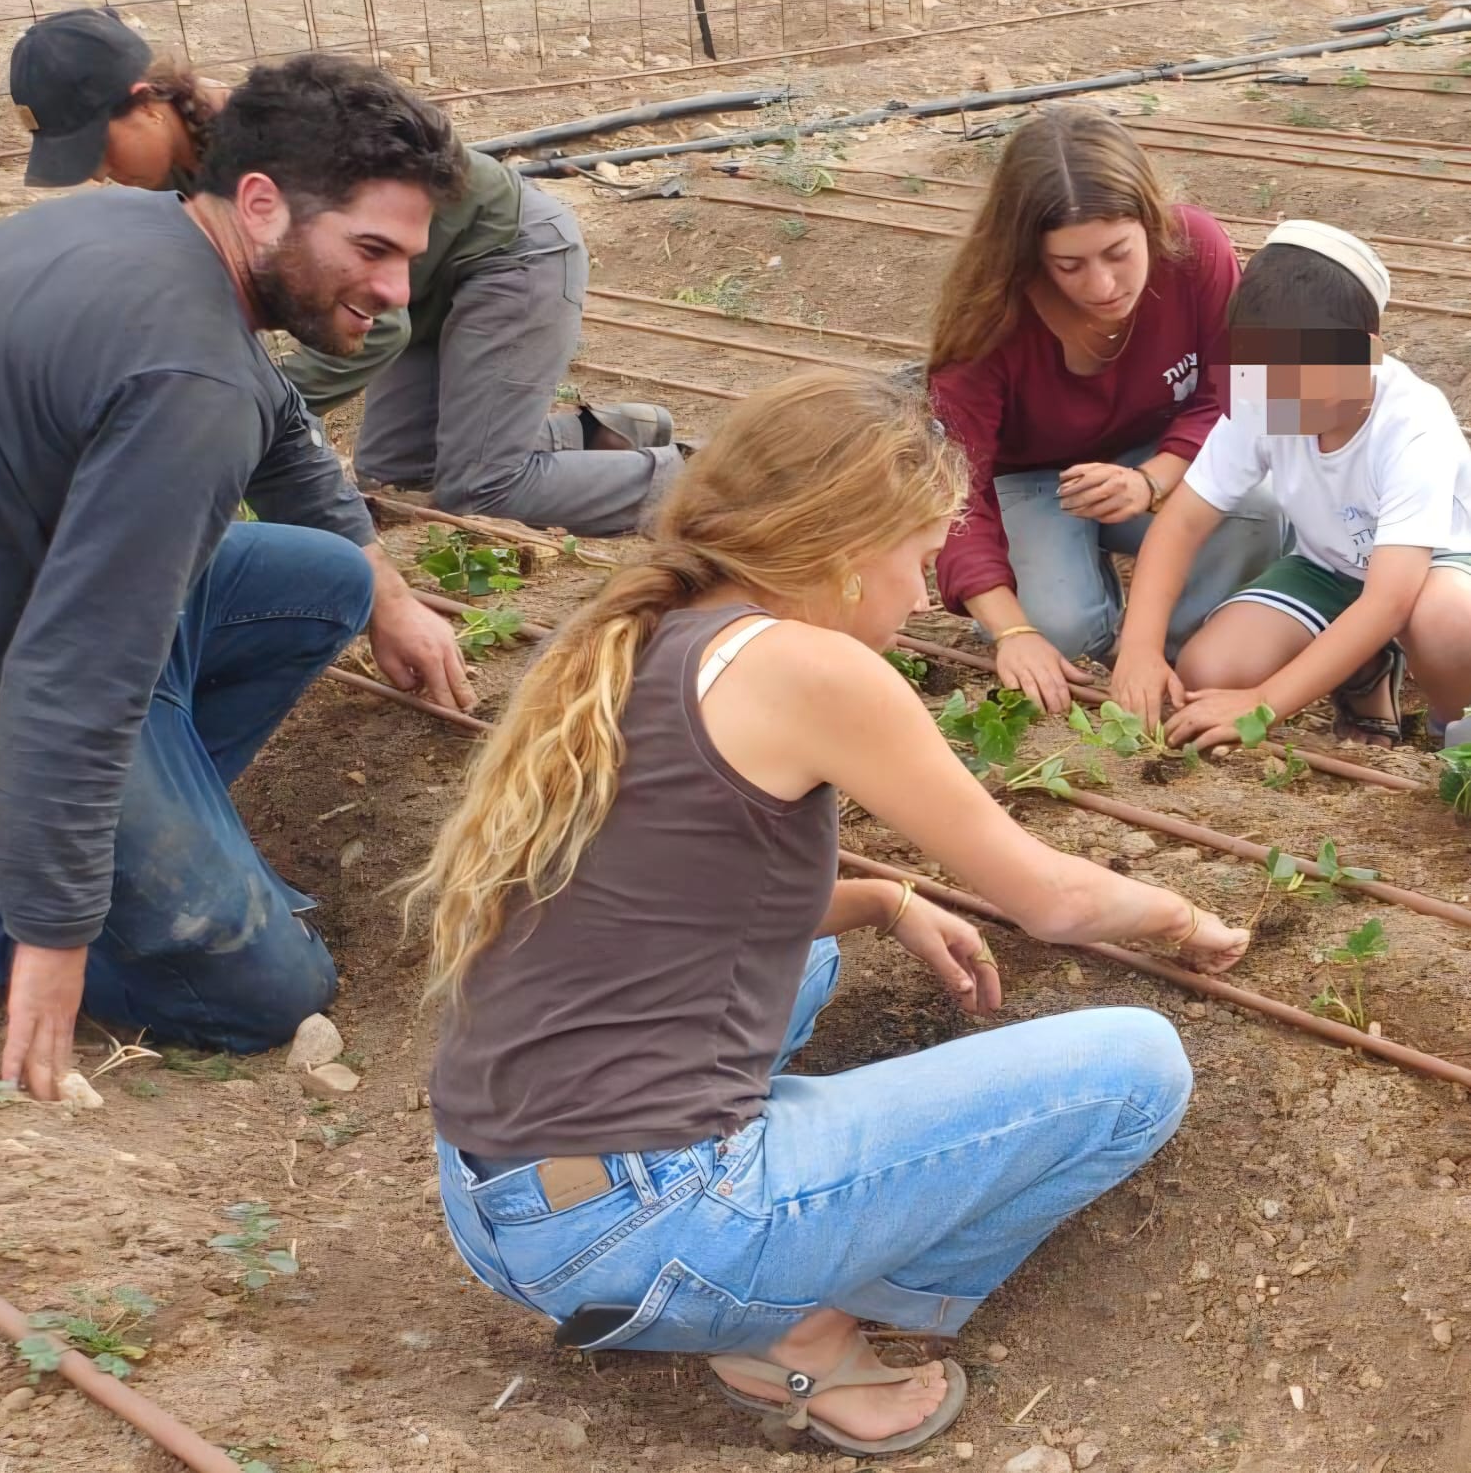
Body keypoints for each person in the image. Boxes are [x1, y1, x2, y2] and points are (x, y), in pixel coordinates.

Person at [409, 368, 1249, 1457]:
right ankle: (803, 1329)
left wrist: (881, 898)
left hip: (504, 1205)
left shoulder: (649, 632)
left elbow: (668, 903)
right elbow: (1048, 900)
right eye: (920, 556)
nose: (926, 591)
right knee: (1137, 1065)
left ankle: (742, 1276)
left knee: (804, 966)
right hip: (642, 1233)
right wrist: (1185, 915)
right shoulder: (809, 669)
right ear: (848, 551)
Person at [0, 54, 477, 1101]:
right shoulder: (188, 381)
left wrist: (389, 595)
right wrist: (50, 935)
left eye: (408, 256)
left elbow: (287, 432)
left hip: (1, 602)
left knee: (325, 582)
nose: (397, 290)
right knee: (275, 992)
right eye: (370, 249)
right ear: (260, 204)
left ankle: (131, 854)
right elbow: (78, 668)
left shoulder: (147, 236)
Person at [7, 6, 684, 535]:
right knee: (398, 470)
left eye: (95, 147)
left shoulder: (255, 157)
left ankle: (706, 482)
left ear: (147, 102)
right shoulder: (178, 170)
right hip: (418, 283)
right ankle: (607, 433)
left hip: (506, 255)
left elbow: (377, 332)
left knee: (484, 490)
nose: (96, 172)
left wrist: (254, 411)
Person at [928, 106, 1285, 715]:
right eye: (1069, 266)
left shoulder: (1196, 251)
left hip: (1153, 456)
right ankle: (1104, 648)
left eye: (1118, 252)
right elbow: (958, 489)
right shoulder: (987, 319)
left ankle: (1174, 654)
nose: (1101, 285)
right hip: (1031, 480)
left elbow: (1236, 398)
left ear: (1150, 221)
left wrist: (1153, 479)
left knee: (1257, 509)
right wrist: (1014, 634)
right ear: (1029, 256)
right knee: (1058, 633)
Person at [1112, 221, 1471, 750]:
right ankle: (1364, 670)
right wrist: (1139, 646)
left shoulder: (1415, 425)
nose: (1288, 400)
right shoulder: (1263, 395)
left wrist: (1262, 705)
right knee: (1209, 670)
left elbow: (1390, 600)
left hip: (1432, 572)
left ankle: (1454, 726)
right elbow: (1182, 522)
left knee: (1446, 625)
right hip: (1328, 566)